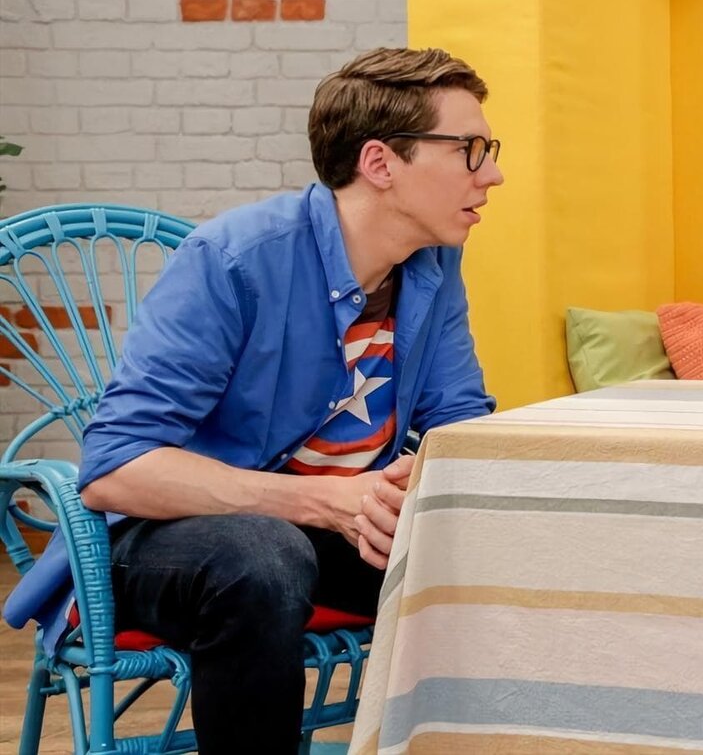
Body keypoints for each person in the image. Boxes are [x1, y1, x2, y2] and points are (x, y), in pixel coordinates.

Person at [3, 47, 504, 753]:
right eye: (470, 150)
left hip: (329, 536)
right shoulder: (235, 258)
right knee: (263, 555)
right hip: (166, 539)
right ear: (380, 163)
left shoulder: (433, 263)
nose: (492, 173)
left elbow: (458, 423)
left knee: (510, 542)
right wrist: (324, 501)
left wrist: (417, 481)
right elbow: (115, 468)